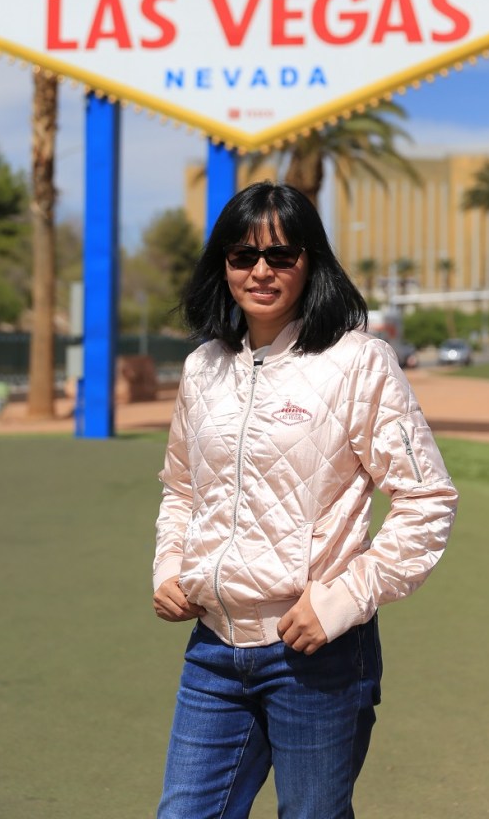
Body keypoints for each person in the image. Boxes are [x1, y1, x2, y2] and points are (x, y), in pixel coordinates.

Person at [152, 182, 458, 819]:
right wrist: (169, 568)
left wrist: (341, 601)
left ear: (310, 261)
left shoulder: (359, 362)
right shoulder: (202, 367)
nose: (261, 271)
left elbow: (427, 499)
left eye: (281, 255)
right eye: (243, 256)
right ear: (223, 266)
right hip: (213, 650)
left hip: (315, 651)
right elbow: (181, 488)